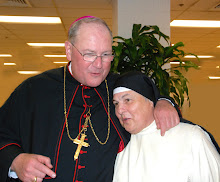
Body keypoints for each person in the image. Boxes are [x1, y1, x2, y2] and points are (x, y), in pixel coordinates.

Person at [0, 16, 181, 182]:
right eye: (89, 54)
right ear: (69, 51)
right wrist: (16, 161)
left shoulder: (121, 89)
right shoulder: (35, 89)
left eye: (105, 54)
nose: (98, 64)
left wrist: (164, 103)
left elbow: (150, 97)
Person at [112, 71, 220, 182]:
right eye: (116, 104)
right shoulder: (123, 147)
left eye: (128, 100)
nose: (119, 110)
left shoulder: (191, 137)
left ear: (150, 102)